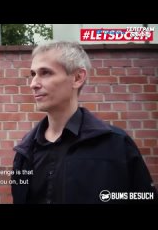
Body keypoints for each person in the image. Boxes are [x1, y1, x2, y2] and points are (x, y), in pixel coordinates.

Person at [11, 41, 158, 204]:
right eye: (33, 74)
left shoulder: (116, 145)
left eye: (45, 73)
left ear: (77, 78)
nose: (33, 84)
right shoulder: (25, 151)